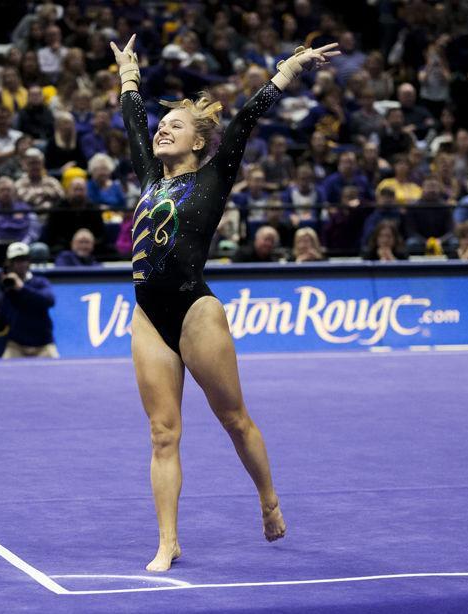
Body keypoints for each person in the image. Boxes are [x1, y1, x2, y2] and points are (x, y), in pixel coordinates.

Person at [112, 33, 340, 571]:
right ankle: (168, 540)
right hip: (148, 315)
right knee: (162, 433)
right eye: (163, 125)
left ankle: (267, 497)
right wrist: (128, 76)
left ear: (198, 143)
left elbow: (247, 119)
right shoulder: (150, 176)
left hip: (195, 310)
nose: (163, 129)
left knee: (233, 419)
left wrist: (290, 69)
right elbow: (134, 122)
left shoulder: (213, 177)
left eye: (176, 126)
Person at [0, 241, 59, 358]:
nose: (21, 264)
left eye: (24, 260)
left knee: (58, 372)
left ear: (29, 262)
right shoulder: (5, 291)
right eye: (16, 261)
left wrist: (22, 288)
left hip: (43, 346)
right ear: (9, 264)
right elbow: (0, 327)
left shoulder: (40, 282)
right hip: (16, 346)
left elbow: (49, 301)